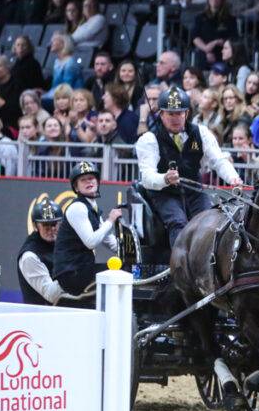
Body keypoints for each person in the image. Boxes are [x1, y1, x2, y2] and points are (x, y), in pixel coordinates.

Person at [135, 86, 243, 247]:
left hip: (195, 191)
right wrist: (165, 178)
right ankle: (179, 262)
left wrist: (233, 178)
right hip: (165, 193)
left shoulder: (202, 133)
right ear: (161, 114)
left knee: (211, 223)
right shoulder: (149, 139)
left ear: (186, 113)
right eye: (170, 114)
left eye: (179, 113)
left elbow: (219, 160)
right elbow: (147, 177)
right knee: (178, 223)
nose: (175, 118)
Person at [53, 162, 122, 299]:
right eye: (83, 180)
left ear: (97, 181)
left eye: (91, 178)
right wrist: (110, 220)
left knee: (124, 270)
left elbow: (108, 240)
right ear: (76, 187)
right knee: (119, 274)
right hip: (71, 274)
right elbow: (90, 242)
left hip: (81, 269)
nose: (89, 182)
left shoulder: (92, 207)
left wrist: (128, 252)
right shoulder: (78, 208)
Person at [18, 198, 65, 306]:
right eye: (45, 225)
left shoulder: (62, 243)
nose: (51, 229)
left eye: (54, 224)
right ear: (35, 226)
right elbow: (51, 295)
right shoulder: (30, 256)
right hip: (40, 314)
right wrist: (75, 270)